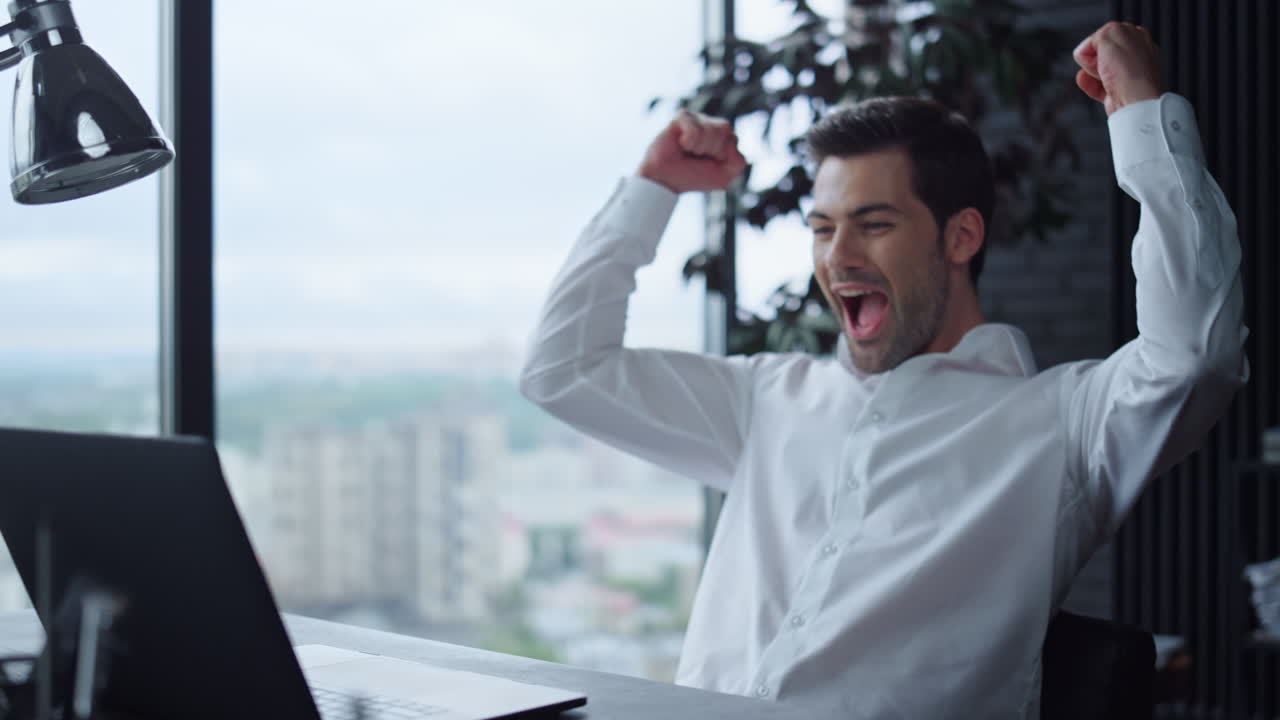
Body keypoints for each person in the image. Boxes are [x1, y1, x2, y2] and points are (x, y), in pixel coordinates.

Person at [519, 21, 1248, 719]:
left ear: (961, 237)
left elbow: (1195, 356)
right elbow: (562, 368)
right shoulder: (765, 398)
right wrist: (654, 188)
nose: (837, 257)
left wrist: (1144, 119)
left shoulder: (1065, 426)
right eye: (822, 228)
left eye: (874, 224)